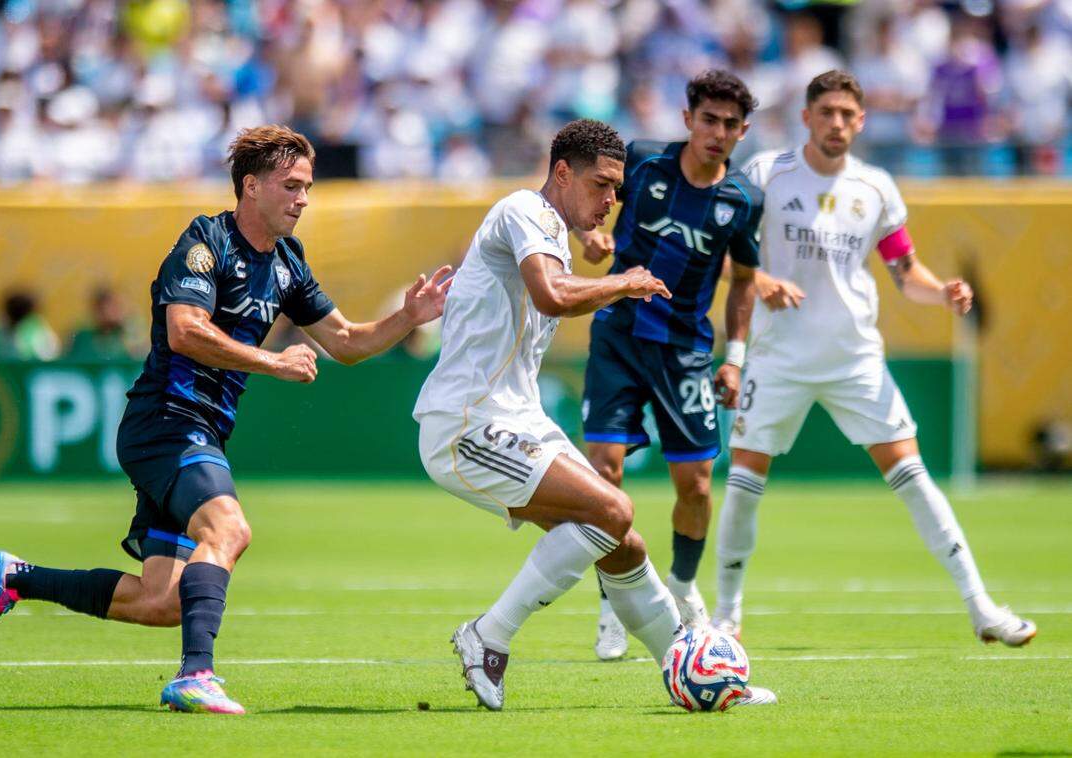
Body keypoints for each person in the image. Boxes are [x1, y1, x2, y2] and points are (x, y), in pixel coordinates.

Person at [0, 124, 452, 714]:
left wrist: (409, 318)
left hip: (199, 430)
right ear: (251, 185)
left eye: (308, 188)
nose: (304, 199)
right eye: (292, 186)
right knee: (229, 531)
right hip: (166, 421)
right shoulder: (205, 243)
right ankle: (196, 674)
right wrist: (272, 360)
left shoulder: (288, 263)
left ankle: (16, 579)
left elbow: (346, 341)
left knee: (160, 602)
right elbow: (186, 331)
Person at [414, 118, 775, 712]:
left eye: (617, 188)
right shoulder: (521, 211)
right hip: (465, 422)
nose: (613, 200)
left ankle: (689, 672)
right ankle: (489, 635)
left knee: (623, 543)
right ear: (562, 173)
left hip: (514, 417)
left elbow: (556, 281)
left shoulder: (551, 227)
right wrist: (622, 282)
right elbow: (552, 295)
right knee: (612, 507)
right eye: (603, 185)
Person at [711, 71, 1036, 648]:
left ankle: (981, 607)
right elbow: (723, 252)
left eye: (848, 114)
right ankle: (726, 617)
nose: (837, 123)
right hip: (777, 356)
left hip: (853, 358)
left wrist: (943, 293)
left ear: (861, 122)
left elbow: (903, 270)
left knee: (912, 477)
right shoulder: (764, 174)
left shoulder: (876, 188)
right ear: (807, 117)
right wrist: (759, 280)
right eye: (827, 112)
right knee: (742, 479)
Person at [572, 70, 796, 661]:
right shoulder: (643, 162)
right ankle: (615, 601)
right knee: (604, 475)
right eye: (708, 120)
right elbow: (598, 213)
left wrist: (736, 359)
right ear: (687, 120)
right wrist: (594, 239)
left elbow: (744, 280)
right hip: (618, 335)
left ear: (743, 131)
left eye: (730, 125)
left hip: (687, 353)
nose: (717, 133)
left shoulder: (743, 199)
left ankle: (680, 587)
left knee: (695, 484)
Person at [66, 285, 146, 361]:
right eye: (111, 306)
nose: (116, 311)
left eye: (118, 306)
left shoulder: (128, 337)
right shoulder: (82, 338)